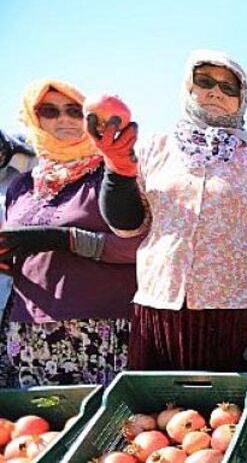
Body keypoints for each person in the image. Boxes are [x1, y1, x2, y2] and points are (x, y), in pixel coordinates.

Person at [93, 50, 247, 394]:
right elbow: (127, 225)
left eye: (228, 87)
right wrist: (118, 169)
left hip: (236, 313)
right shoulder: (153, 149)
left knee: (230, 421)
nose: (216, 92)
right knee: (158, 423)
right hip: (161, 309)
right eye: (205, 82)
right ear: (188, 87)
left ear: (241, 99)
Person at [1, 79, 144, 387]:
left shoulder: (115, 172)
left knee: (106, 429)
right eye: (49, 111)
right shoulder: (21, 186)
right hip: (30, 329)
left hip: (104, 329)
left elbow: (142, 247)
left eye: (74, 111)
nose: (63, 118)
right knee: (37, 429)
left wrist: (65, 240)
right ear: (33, 118)